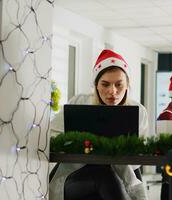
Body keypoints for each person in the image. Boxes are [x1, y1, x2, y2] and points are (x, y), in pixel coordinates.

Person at [49, 49, 151, 200]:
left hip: (119, 176)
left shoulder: (138, 111)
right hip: (74, 177)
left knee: (108, 175)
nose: (112, 91)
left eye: (119, 84)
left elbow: (136, 162)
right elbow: (50, 136)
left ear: (127, 85)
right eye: (105, 84)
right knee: (103, 172)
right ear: (96, 85)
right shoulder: (79, 103)